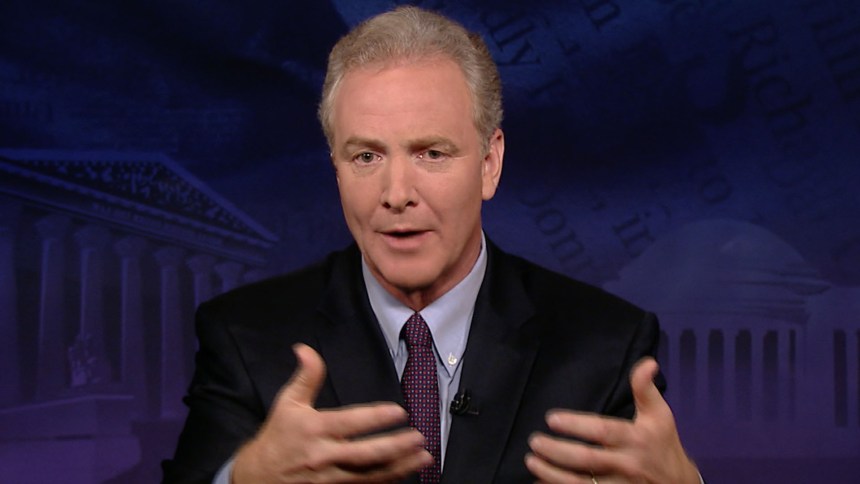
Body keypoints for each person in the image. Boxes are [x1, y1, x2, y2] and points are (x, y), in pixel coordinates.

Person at [163, 6, 702, 483]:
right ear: (336, 168)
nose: (396, 194)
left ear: (489, 164)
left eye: (432, 154)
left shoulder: (606, 345)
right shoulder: (245, 337)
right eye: (366, 156)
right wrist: (245, 478)